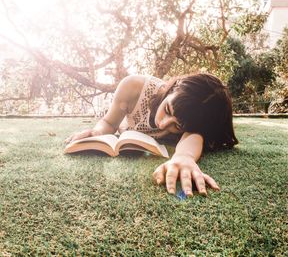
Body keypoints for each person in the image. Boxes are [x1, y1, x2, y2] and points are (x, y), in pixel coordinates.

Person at [65, 73, 238, 197]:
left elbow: (194, 137)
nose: (163, 124)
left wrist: (184, 157)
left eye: (177, 125)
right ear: (174, 89)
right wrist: (96, 132)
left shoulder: (194, 118)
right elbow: (109, 123)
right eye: (168, 110)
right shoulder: (132, 86)